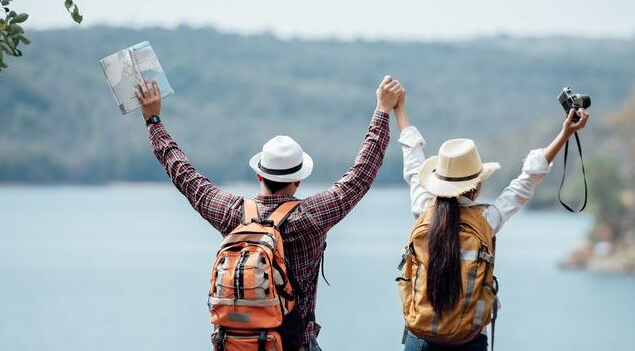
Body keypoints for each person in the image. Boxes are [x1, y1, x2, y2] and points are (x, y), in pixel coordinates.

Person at [134, 75, 404, 351]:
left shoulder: (232, 214)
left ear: (259, 173)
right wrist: (382, 110)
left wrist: (153, 121)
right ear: (298, 180)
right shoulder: (309, 217)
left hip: (238, 344)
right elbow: (360, 175)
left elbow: (184, 174)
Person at [393, 90, 589, 351]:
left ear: (438, 182)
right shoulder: (486, 220)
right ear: (477, 187)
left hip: (420, 340)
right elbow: (527, 180)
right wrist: (566, 133)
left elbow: (412, 159)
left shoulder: (423, 208)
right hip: (469, 341)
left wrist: (399, 109)